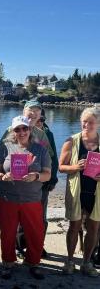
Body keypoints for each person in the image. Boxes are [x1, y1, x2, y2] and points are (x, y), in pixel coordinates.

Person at [0, 115, 51, 280]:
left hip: (32, 199)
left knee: (35, 233)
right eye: (18, 129)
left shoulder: (41, 149)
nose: (22, 132)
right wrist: (1, 176)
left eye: (25, 128)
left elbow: (47, 174)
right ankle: (8, 262)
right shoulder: (5, 146)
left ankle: (33, 262)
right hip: (7, 198)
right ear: (13, 131)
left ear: (30, 129)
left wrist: (36, 176)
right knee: (7, 233)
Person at [59, 107, 100, 277]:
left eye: (91, 122)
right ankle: (69, 261)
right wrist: (76, 167)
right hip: (77, 191)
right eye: (84, 121)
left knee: (94, 228)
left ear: (97, 123)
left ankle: (86, 263)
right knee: (74, 226)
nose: (87, 125)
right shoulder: (71, 141)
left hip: (96, 193)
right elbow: (61, 167)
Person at [35, 108, 58, 257]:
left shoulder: (48, 134)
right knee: (23, 218)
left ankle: (39, 246)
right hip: (26, 184)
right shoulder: (23, 131)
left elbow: (54, 157)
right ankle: (21, 245)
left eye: (41, 119)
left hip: (43, 183)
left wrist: (53, 178)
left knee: (41, 217)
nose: (38, 122)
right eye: (35, 119)